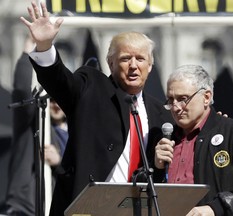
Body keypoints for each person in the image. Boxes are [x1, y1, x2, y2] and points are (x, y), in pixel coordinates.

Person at [20, 2, 174, 215]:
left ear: (150, 65)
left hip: (137, 209)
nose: (133, 65)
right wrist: (45, 46)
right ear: (110, 63)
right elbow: (61, 82)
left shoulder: (161, 113)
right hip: (88, 207)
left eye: (140, 58)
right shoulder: (91, 87)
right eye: (125, 58)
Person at [154, 64, 233, 216]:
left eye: (183, 99)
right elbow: (137, 189)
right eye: (170, 100)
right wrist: (155, 168)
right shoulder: (164, 139)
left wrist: (215, 209)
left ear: (206, 97)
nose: (175, 107)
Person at [0, 35, 68, 216]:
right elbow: (22, 91)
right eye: (51, 98)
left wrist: (60, 162)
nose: (55, 103)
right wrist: (29, 48)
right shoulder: (32, 125)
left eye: (59, 99)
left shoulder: (76, 134)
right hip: (25, 209)